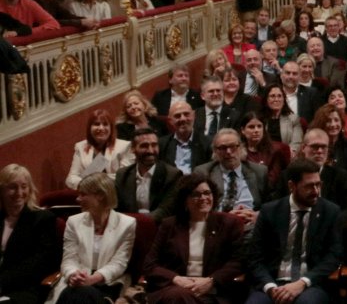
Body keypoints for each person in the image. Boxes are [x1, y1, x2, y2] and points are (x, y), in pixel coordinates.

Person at [245, 159, 344, 304]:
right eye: (309, 186)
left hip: (310, 284)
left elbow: (333, 256)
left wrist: (303, 282)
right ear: (292, 186)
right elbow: (254, 258)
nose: (316, 191)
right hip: (272, 283)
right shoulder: (270, 211)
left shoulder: (330, 211)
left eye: (318, 185)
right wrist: (270, 287)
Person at [143, 174, 244, 304]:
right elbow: (150, 265)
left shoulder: (229, 224)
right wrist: (176, 279)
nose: (203, 198)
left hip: (214, 292)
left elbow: (238, 262)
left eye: (207, 193)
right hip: (174, 289)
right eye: (195, 194)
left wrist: (211, 281)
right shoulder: (169, 225)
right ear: (184, 199)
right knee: (178, 296)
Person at [51, 172, 137, 304]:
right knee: (77, 293)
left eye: (83, 194)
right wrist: (73, 275)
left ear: (100, 196)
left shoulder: (127, 224)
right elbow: (68, 259)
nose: (78, 199)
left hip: (109, 283)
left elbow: (119, 263)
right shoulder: (73, 222)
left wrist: (92, 279)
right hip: (76, 282)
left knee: (82, 294)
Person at [0, 163, 61, 304]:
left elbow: (40, 264)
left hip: (25, 288)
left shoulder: (43, 219)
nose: (19, 193)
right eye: (12, 187)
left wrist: (2, 283)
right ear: (1, 190)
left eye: (24, 186)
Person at [116, 127, 182, 219]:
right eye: (144, 146)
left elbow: (165, 210)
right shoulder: (123, 175)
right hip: (128, 227)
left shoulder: (172, 175)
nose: (150, 151)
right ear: (133, 149)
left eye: (154, 145)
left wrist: (141, 222)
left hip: (159, 228)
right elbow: (118, 208)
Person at [67, 108, 134, 189]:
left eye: (105, 124)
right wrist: (85, 185)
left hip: (116, 194)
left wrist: (93, 181)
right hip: (89, 194)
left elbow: (123, 177)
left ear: (111, 128)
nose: (101, 128)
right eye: (96, 124)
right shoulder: (80, 147)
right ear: (89, 128)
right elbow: (71, 178)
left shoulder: (125, 146)